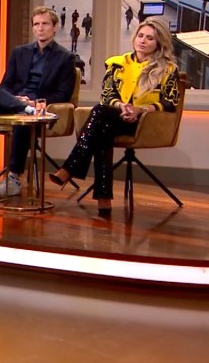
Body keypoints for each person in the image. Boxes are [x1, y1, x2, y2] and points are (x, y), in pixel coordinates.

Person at [50, 18, 180, 217]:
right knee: (102, 121)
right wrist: (122, 106)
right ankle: (103, 197)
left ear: (159, 43)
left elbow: (170, 102)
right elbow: (107, 95)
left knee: (100, 118)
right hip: (117, 117)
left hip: (145, 121)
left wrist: (140, 110)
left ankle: (71, 169)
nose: (142, 41)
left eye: (150, 38)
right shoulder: (118, 63)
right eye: (140, 35)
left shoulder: (168, 69)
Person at [0, 6, 75, 197]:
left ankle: (13, 179)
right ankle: (23, 108)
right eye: (36, 24)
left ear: (55, 27)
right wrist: (17, 100)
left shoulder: (65, 58)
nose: (40, 28)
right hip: (13, 103)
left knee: (23, 120)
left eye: (45, 24)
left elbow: (63, 94)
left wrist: (34, 103)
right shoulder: (19, 52)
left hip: (37, 110)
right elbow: (6, 85)